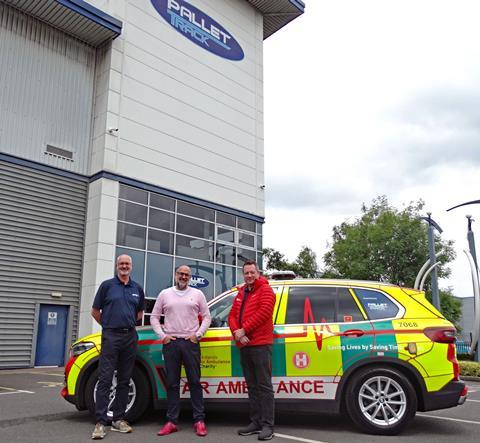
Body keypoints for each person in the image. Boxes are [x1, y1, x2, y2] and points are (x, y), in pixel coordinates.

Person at [151, 265, 211, 437]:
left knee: (194, 382)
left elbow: (207, 316)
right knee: (172, 384)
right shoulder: (165, 294)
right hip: (171, 343)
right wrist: (162, 336)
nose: (183, 277)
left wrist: (198, 334)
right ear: (175, 275)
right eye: (181, 274)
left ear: (190, 277)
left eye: (187, 275)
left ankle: (199, 420)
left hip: (190, 343)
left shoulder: (197, 294)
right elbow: (154, 317)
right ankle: (171, 421)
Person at [90, 254, 145, 440]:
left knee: (124, 379)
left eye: (127, 264)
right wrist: (108, 325)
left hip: (129, 336)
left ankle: (118, 419)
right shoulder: (107, 286)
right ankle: (100, 422)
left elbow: (139, 313)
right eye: (121, 263)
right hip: (111, 335)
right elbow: (95, 312)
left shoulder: (137, 288)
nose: (124, 266)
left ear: (131, 266)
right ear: (116, 266)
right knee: (105, 379)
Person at [228, 260, 276, 441]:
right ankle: (255, 422)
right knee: (252, 386)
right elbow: (232, 315)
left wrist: (244, 330)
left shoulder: (266, 290)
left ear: (258, 273)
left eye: (252, 272)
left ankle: (267, 425)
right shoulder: (241, 292)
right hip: (244, 344)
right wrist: (238, 334)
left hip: (261, 344)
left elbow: (264, 313)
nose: (249, 275)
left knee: (264, 386)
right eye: (246, 273)